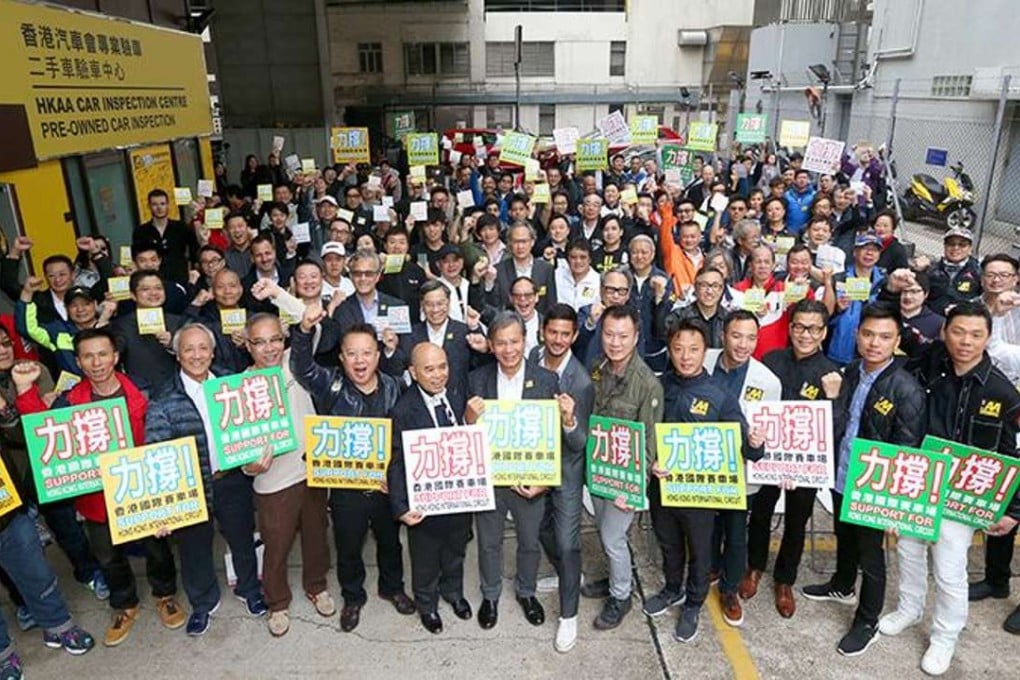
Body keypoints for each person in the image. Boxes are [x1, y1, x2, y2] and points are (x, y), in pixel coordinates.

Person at [14, 328, 183, 647]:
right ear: (78, 361)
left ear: (115, 357)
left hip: (142, 489)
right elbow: (44, 434)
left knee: (157, 548)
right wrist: (25, 390)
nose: (97, 362)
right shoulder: (69, 401)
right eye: (88, 356)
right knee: (108, 556)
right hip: (96, 498)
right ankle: (124, 604)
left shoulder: (144, 392)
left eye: (103, 354)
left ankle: (165, 595)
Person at [879, 301, 1020, 674]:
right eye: (958, 331)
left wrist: (1013, 511)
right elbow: (901, 334)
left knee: (949, 568)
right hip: (918, 479)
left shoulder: (1004, 394)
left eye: (976, 335)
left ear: (989, 338)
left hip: (963, 495)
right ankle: (909, 609)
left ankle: (945, 635)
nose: (965, 341)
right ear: (944, 332)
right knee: (907, 550)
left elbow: (1014, 454)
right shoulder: (930, 366)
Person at [801, 304, 927, 657]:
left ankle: (867, 621)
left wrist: (892, 505)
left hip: (874, 486)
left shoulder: (906, 389)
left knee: (872, 557)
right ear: (857, 335)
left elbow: (906, 451)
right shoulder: (851, 371)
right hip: (843, 475)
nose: (874, 343)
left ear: (897, 341)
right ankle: (842, 585)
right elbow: (839, 422)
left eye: (885, 337)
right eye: (868, 334)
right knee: (844, 537)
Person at [290, 306, 414, 632]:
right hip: (346, 489)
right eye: (352, 354)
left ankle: (393, 588)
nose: (360, 361)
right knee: (348, 545)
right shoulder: (330, 385)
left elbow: (404, 437)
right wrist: (303, 332)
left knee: (390, 542)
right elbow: (301, 366)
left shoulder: (394, 386)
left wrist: (399, 479)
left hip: (386, 486)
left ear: (377, 355)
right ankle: (353, 597)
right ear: (342, 358)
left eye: (367, 353)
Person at [145, 323, 269, 636]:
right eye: (189, 348)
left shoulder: (231, 383)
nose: (197, 355)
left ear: (213, 352)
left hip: (231, 479)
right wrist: (160, 506)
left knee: (242, 538)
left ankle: (250, 589)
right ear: (177, 354)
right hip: (191, 487)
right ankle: (202, 602)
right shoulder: (164, 396)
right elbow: (156, 449)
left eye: (203, 348)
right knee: (193, 548)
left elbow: (253, 427)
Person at [647, 318, 763, 643]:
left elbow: (744, 447)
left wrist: (755, 444)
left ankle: (694, 602)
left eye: (694, 349)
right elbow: (644, 434)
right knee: (668, 543)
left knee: (700, 551)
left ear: (705, 351)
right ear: (669, 351)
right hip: (661, 487)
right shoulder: (658, 386)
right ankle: (672, 589)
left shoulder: (719, 395)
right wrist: (648, 463)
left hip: (699, 492)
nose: (686, 356)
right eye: (679, 349)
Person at [465, 312, 565, 631]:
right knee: (489, 541)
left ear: (525, 341)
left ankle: (526, 591)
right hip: (491, 479)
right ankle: (491, 594)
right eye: (501, 343)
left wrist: (544, 482)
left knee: (530, 541)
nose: (509, 350)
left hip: (528, 480)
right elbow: (465, 437)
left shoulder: (547, 379)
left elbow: (554, 436)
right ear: (491, 346)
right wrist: (468, 417)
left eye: (515, 341)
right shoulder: (477, 379)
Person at [744, 300, 843, 618]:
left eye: (813, 329)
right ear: (790, 327)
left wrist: (833, 398)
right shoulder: (771, 360)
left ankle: (785, 580)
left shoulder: (831, 374)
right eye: (799, 326)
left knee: (797, 523)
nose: (805, 334)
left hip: (804, 466)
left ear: (823, 332)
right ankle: (754, 566)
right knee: (759, 513)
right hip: (767, 458)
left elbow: (836, 429)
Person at [242, 314, 334, 637]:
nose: (270, 349)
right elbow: (236, 444)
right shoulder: (239, 387)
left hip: (311, 468)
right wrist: (248, 467)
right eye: (260, 342)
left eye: (276, 339)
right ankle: (277, 601)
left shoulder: (296, 363)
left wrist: (280, 295)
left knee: (316, 533)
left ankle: (317, 585)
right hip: (272, 479)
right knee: (276, 544)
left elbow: (311, 322)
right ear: (247, 344)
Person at [702, 310, 781, 627]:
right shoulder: (702, 359)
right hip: (703, 462)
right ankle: (710, 566)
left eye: (751, 337)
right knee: (707, 525)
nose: (743, 344)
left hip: (740, 471)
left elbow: (767, 435)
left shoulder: (767, 382)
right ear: (723, 334)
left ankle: (730, 589)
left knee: (736, 533)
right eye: (737, 335)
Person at [388, 343, 474, 635]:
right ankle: (427, 605)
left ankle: (454, 593)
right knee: (425, 557)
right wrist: (400, 507)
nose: (438, 375)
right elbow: (397, 460)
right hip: (423, 501)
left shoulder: (458, 394)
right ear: (413, 372)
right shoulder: (403, 409)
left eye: (443, 367)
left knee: (455, 550)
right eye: (429, 369)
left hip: (458, 495)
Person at [587, 306, 663, 630]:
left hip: (624, 481)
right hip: (601, 472)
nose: (615, 342)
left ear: (635, 337)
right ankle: (616, 577)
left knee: (612, 537)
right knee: (606, 532)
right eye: (609, 334)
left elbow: (647, 445)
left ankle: (621, 595)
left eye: (623, 336)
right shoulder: (599, 368)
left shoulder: (647, 385)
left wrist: (633, 489)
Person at [530, 305, 595, 652]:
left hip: (566, 472)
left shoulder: (581, 381)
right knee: (540, 529)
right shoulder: (532, 357)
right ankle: (567, 573)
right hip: (533, 465)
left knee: (568, 542)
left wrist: (569, 420)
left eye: (564, 334)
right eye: (552, 332)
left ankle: (569, 615)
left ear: (574, 336)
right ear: (543, 331)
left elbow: (580, 443)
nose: (557, 339)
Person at [110, 271, 184, 393]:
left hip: (178, 391)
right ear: (133, 295)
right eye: (145, 289)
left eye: (158, 288)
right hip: (142, 393)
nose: (153, 293)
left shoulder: (178, 321)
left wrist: (173, 344)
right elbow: (112, 358)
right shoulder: (121, 325)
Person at [487, 223, 557, 316]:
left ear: (532, 242)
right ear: (509, 243)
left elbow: (551, 304)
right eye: (516, 242)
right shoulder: (498, 270)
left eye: (524, 241)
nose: (520, 247)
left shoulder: (546, 269)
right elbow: (493, 305)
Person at [132, 188, 198, 286]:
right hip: (153, 280)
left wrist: (193, 271)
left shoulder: (181, 227)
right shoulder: (141, 231)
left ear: (168, 205)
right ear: (149, 206)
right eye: (155, 204)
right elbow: (136, 256)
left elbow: (194, 250)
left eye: (162, 204)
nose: (159, 208)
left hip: (180, 278)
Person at [915, 227, 982, 315]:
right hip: (932, 317)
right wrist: (916, 271)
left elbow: (985, 298)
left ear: (970, 249)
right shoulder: (931, 269)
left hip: (964, 318)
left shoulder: (978, 271)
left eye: (962, 245)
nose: (956, 248)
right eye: (951, 244)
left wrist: (963, 308)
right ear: (945, 246)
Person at [659, 267, 728, 349]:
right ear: (695, 287)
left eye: (715, 286)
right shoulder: (678, 318)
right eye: (704, 285)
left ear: (722, 289)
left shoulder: (729, 319)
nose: (709, 291)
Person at [784, 170, 817, 236]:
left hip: (806, 232)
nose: (802, 180)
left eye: (804, 178)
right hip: (789, 230)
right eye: (799, 178)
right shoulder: (787, 195)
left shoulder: (814, 195)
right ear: (795, 180)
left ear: (808, 180)